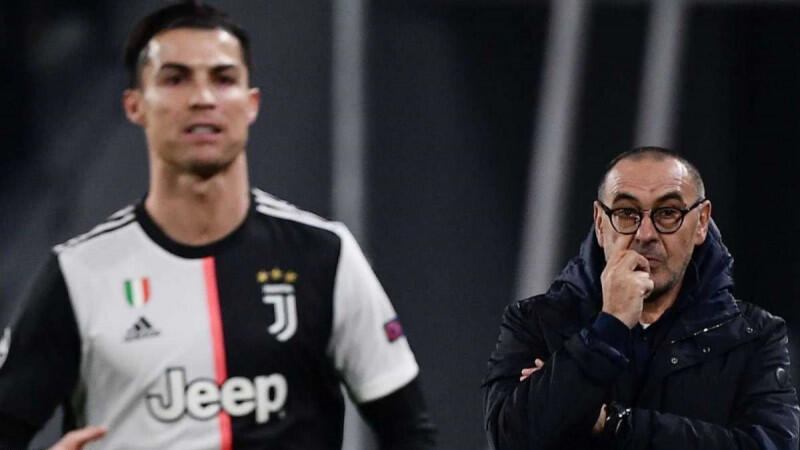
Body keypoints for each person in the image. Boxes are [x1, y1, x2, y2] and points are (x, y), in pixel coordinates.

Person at [0, 2, 436, 449]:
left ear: (252, 104)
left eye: (223, 79)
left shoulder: (326, 258)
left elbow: (409, 432)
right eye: (175, 79)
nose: (203, 98)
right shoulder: (79, 275)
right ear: (134, 105)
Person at [483, 147, 800, 449]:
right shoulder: (535, 322)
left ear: (702, 222)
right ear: (600, 223)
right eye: (626, 213)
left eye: (668, 213)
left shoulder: (755, 336)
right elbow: (512, 439)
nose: (645, 234)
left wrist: (610, 421)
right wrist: (609, 326)